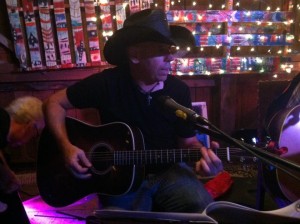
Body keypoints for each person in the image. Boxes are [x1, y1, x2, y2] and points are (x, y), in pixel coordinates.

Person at [43, 9, 223, 213]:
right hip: (119, 177)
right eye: (161, 51)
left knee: (208, 212)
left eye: (170, 50)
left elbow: (188, 142)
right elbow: (53, 103)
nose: (170, 58)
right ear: (135, 55)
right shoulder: (106, 83)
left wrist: (203, 158)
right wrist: (66, 147)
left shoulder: (178, 90)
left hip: (168, 172)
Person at [0, 96, 44, 223]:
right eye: (35, 134)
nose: (29, 141)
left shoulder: (3, 121)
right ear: (30, 126)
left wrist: (8, 173)